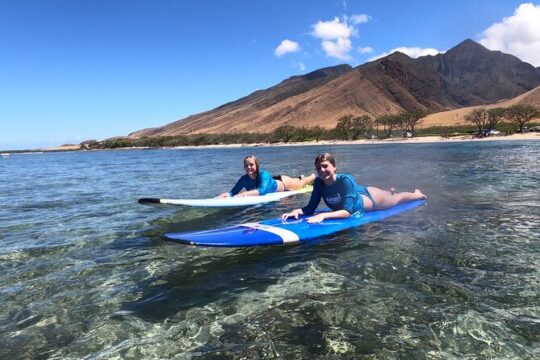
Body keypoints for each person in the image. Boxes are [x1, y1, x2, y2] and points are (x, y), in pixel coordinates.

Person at [281, 153, 426, 223]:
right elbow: (311, 208)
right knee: (392, 193)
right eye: (318, 168)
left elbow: (347, 212)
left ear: (335, 167)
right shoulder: (319, 183)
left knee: (398, 198)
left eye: (325, 166)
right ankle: (392, 190)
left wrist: (323, 215)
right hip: (357, 193)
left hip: (372, 200)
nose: (322, 170)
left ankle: (417, 194)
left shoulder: (345, 180)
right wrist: (297, 211)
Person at [217, 155, 316, 198]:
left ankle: (312, 176)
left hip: (284, 184)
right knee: (299, 180)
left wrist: (245, 194)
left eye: (251, 165)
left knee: (303, 183)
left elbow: (262, 191)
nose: (248, 167)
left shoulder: (263, 174)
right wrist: (227, 194)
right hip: (273, 181)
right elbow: (233, 191)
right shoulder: (244, 179)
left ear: (257, 165)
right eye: (246, 165)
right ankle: (300, 177)